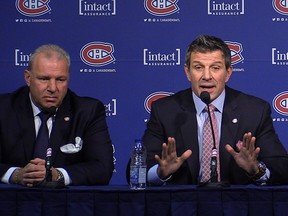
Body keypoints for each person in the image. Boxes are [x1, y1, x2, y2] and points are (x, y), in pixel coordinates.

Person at [143, 34, 288, 186]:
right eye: (198, 67)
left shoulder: (254, 111)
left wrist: (256, 170)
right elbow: (135, 170)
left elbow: (282, 169)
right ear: (187, 72)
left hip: (235, 205)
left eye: (215, 68)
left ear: (228, 73)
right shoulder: (165, 111)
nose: (206, 76)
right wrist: (161, 172)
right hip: (184, 205)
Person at [0, 44, 114, 186]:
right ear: (28, 78)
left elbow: (102, 168)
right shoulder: (4, 109)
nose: (53, 88)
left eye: (60, 80)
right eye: (44, 79)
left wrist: (57, 175)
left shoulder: (87, 111)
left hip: (65, 204)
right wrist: (16, 175)